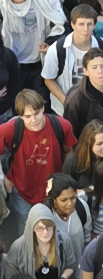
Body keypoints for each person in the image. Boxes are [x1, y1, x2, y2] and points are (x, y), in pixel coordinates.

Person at [0, 90, 77, 233]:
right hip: (21, 189)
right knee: (26, 229)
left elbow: (68, 152)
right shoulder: (10, 129)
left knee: (51, 228)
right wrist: (3, 178)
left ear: (43, 108)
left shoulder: (61, 126)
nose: (33, 120)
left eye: (36, 113)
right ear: (20, 115)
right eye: (27, 116)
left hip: (52, 189)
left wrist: (65, 179)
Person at [0, 0, 65, 97]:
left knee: (41, 101)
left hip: (39, 62)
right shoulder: (1, 2)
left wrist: (49, 42)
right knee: (18, 103)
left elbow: (61, 23)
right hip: (15, 64)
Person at [42, 4, 103, 116]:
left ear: (95, 25)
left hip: (97, 109)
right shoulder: (56, 49)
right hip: (65, 110)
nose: (86, 29)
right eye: (81, 24)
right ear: (73, 25)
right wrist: (66, 102)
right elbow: (49, 79)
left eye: (89, 24)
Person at [45, 174, 92, 279]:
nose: (70, 203)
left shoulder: (82, 208)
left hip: (79, 276)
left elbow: (87, 237)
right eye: (64, 200)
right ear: (54, 199)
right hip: (54, 278)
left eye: (73, 198)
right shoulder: (45, 214)